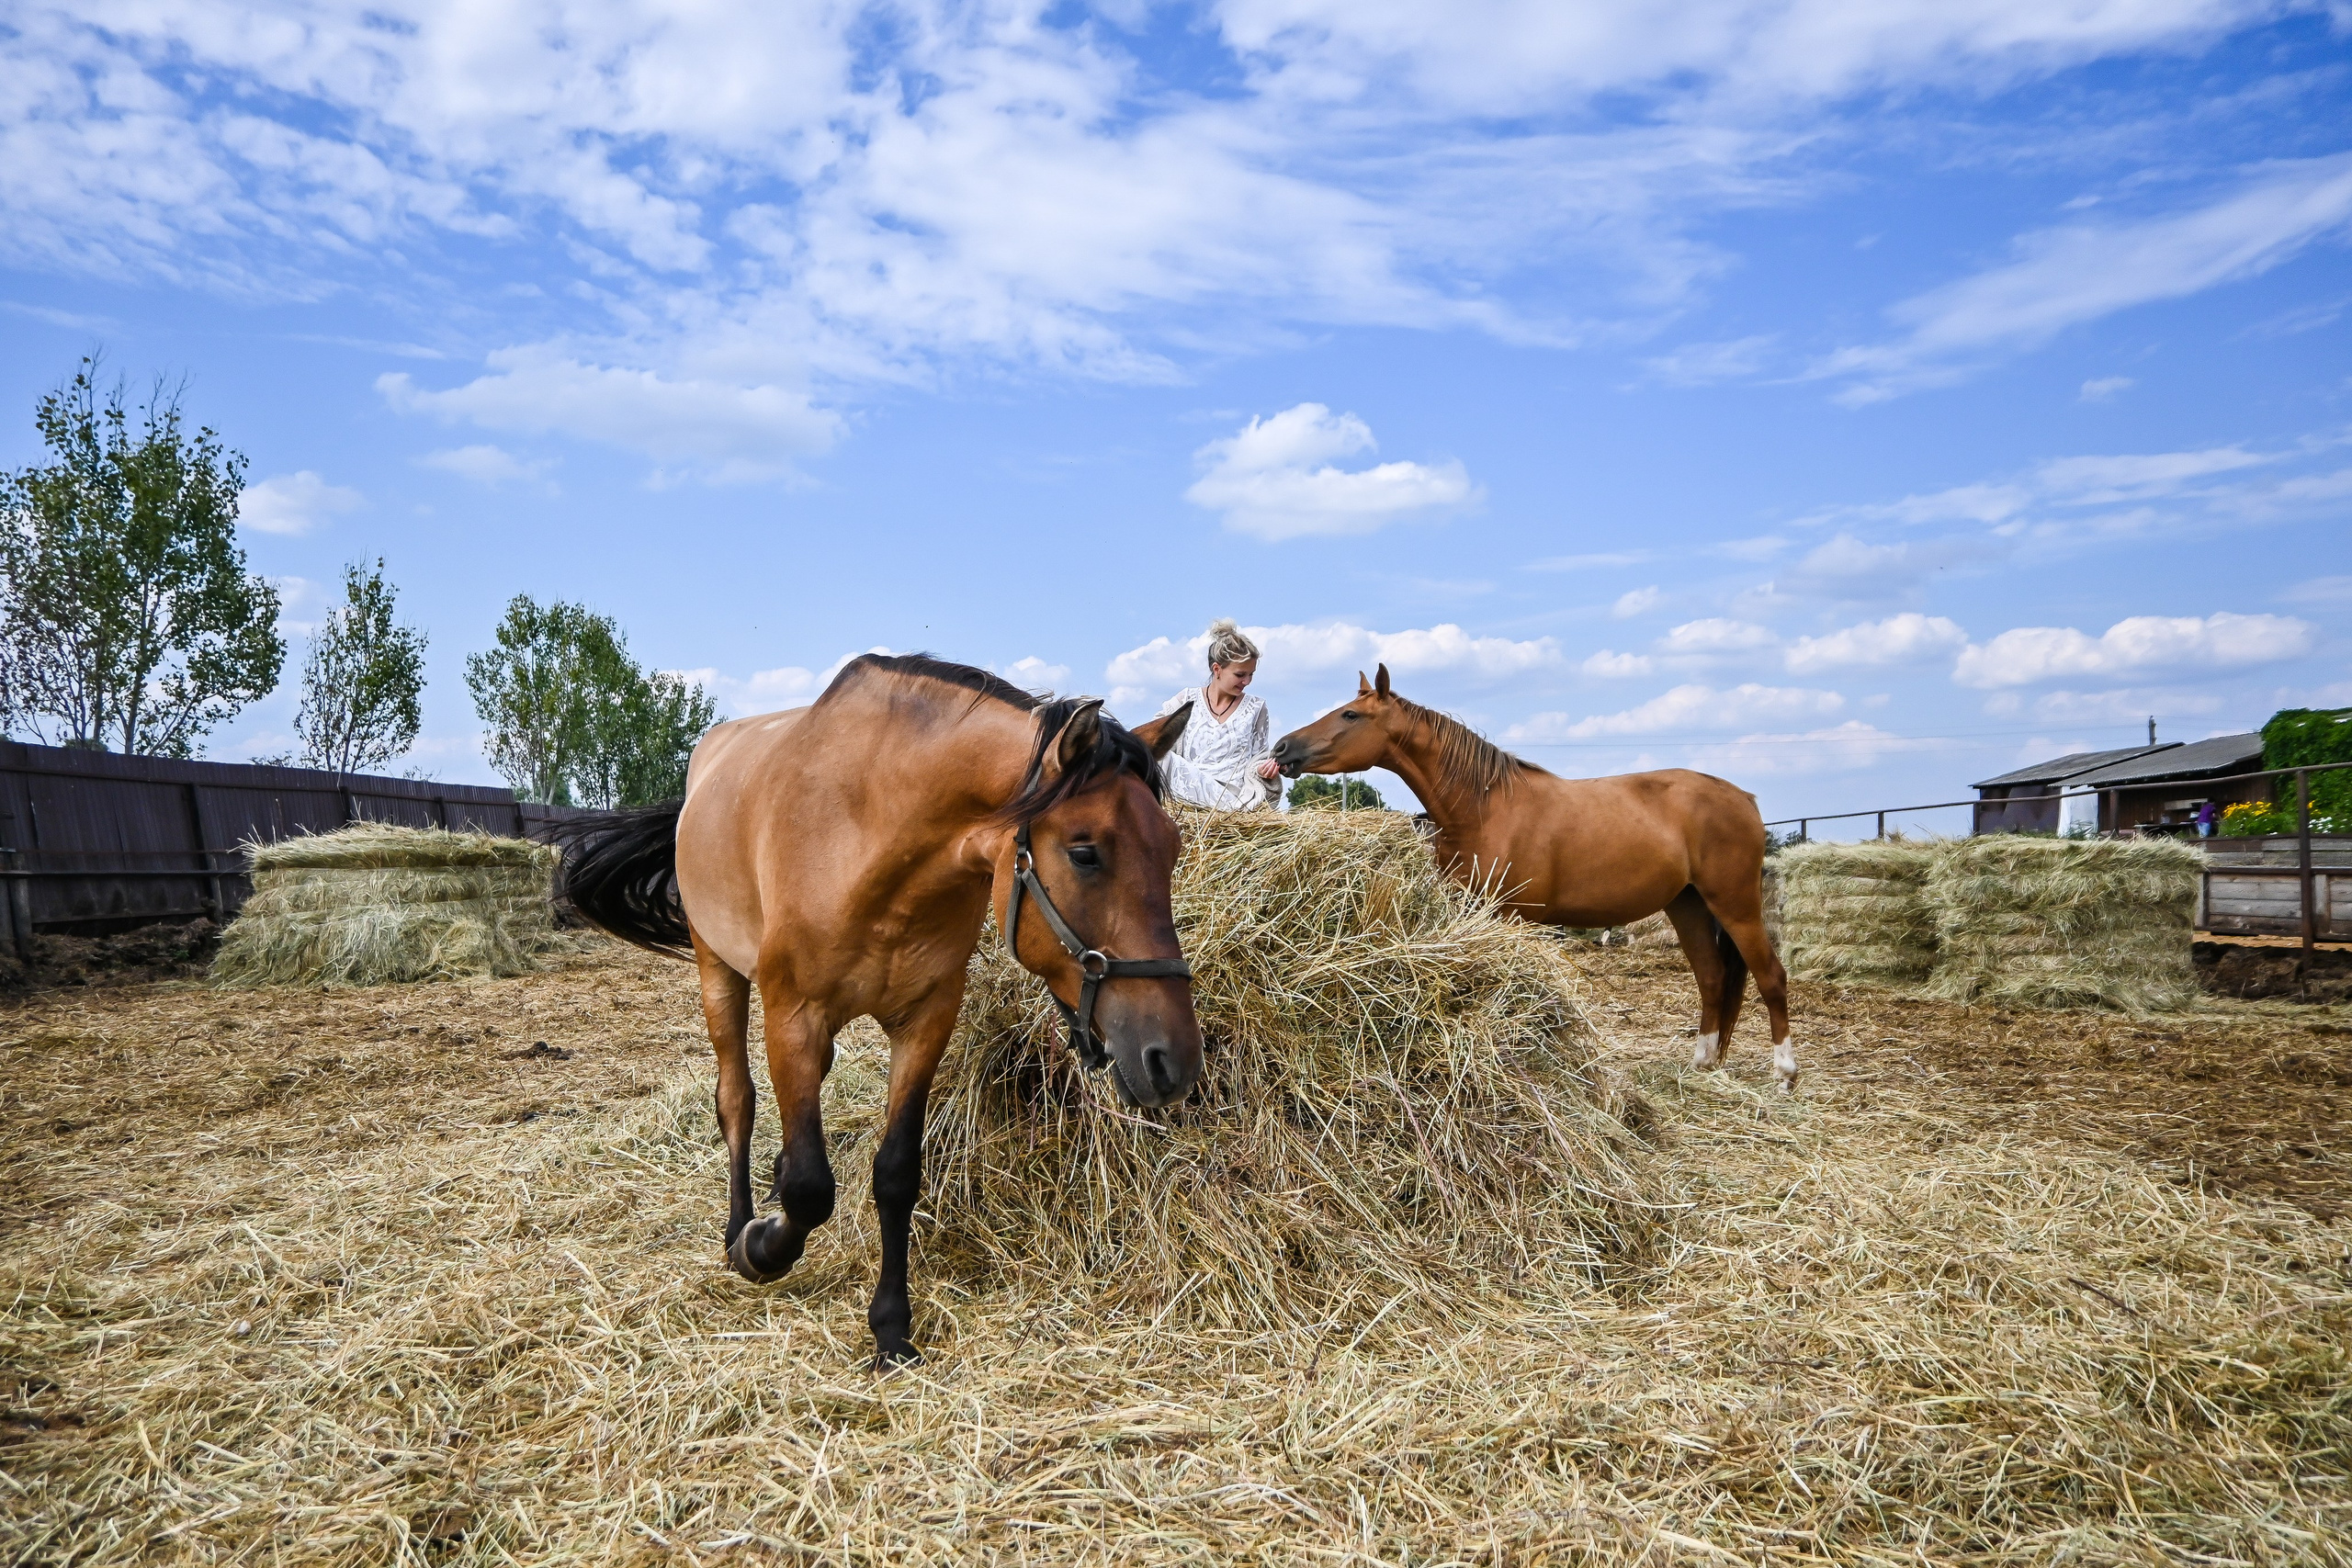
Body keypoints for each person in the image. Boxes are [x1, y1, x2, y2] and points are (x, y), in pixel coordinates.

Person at [1156, 618, 1282, 810]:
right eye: (1240, 675)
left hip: (1230, 799)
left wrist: (1264, 769)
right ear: (1217, 669)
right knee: (1158, 755)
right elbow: (1152, 737)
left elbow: (1258, 757)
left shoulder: (1257, 708)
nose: (1247, 681)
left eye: (1251, 674)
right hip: (1184, 790)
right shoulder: (1186, 700)